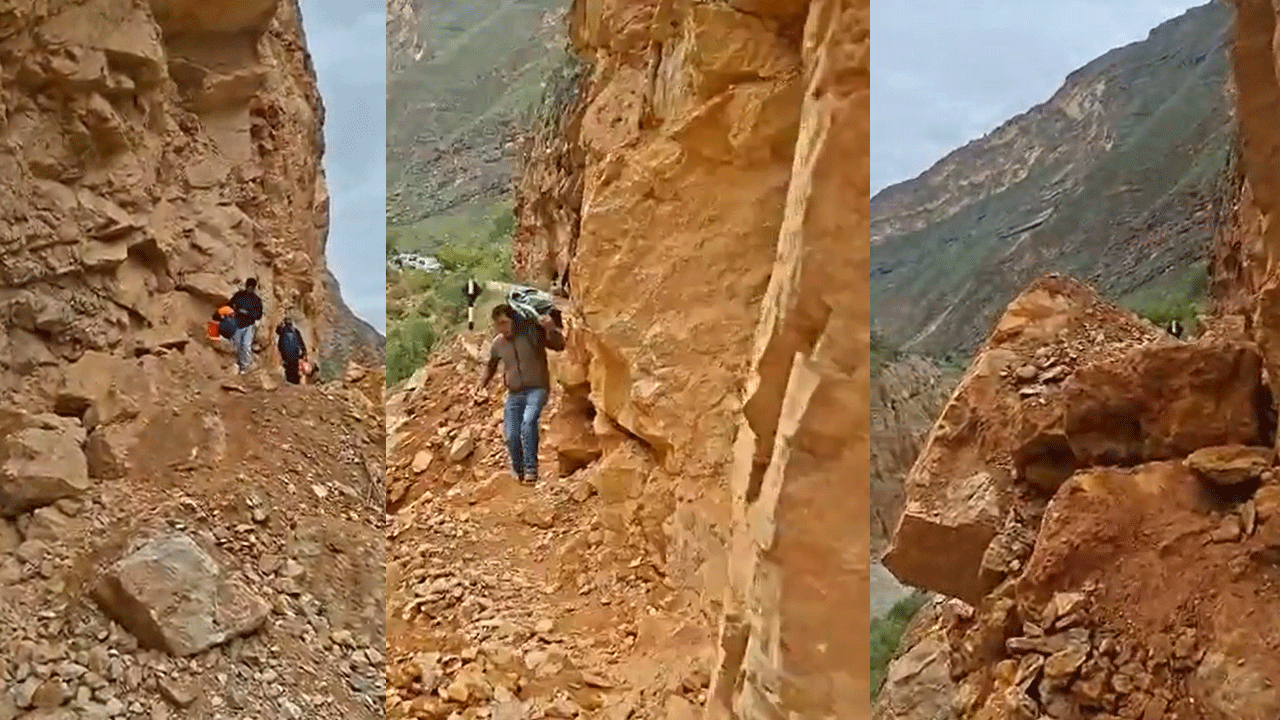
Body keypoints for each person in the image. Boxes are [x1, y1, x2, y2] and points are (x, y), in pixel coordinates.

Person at [477, 303, 565, 484]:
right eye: (498, 325)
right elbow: (490, 366)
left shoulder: (532, 334)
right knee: (511, 435)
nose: (501, 328)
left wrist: (550, 329)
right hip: (514, 394)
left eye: (504, 323)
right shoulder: (498, 343)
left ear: (514, 320)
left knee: (528, 424)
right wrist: (481, 384)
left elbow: (559, 345)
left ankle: (531, 470)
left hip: (537, 389)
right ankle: (520, 471)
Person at [226, 278, 264, 374]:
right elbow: (230, 305)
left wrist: (247, 313)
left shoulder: (256, 300)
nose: (249, 288)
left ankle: (245, 367)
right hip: (237, 323)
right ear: (246, 286)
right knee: (238, 345)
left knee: (246, 346)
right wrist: (234, 310)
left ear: (254, 288)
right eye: (248, 286)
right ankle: (238, 364)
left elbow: (259, 315)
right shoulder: (239, 295)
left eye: (251, 287)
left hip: (249, 325)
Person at [275, 317, 308, 385]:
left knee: (289, 370)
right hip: (295, 355)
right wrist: (304, 352)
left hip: (286, 356)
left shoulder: (282, 332)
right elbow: (301, 343)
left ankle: (290, 382)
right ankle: (296, 382)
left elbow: (280, 345)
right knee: (294, 369)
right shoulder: (295, 331)